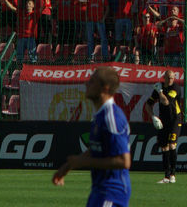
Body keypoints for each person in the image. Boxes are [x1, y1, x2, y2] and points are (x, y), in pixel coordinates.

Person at [52, 66, 131, 207]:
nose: (86, 84)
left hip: (112, 192)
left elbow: (123, 161)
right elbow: (97, 149)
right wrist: (67, 167)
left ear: (105, 88)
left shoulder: (111, 117)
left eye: (92, 81)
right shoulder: (100, 116)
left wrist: (83, 163)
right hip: (99, 191)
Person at [146, 70, 183, 184]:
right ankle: (166, 176)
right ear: (165, 78)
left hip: (175, 120)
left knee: (172, 144)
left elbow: (165, 101)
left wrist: (160, 91)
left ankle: (173, 174)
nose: (171, 80)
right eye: (169, 78)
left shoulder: (175, 88)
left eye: (172, 78)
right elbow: (148, 104)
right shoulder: (159, 87)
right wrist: (153, 117)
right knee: (164, 147)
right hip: (164, 121)